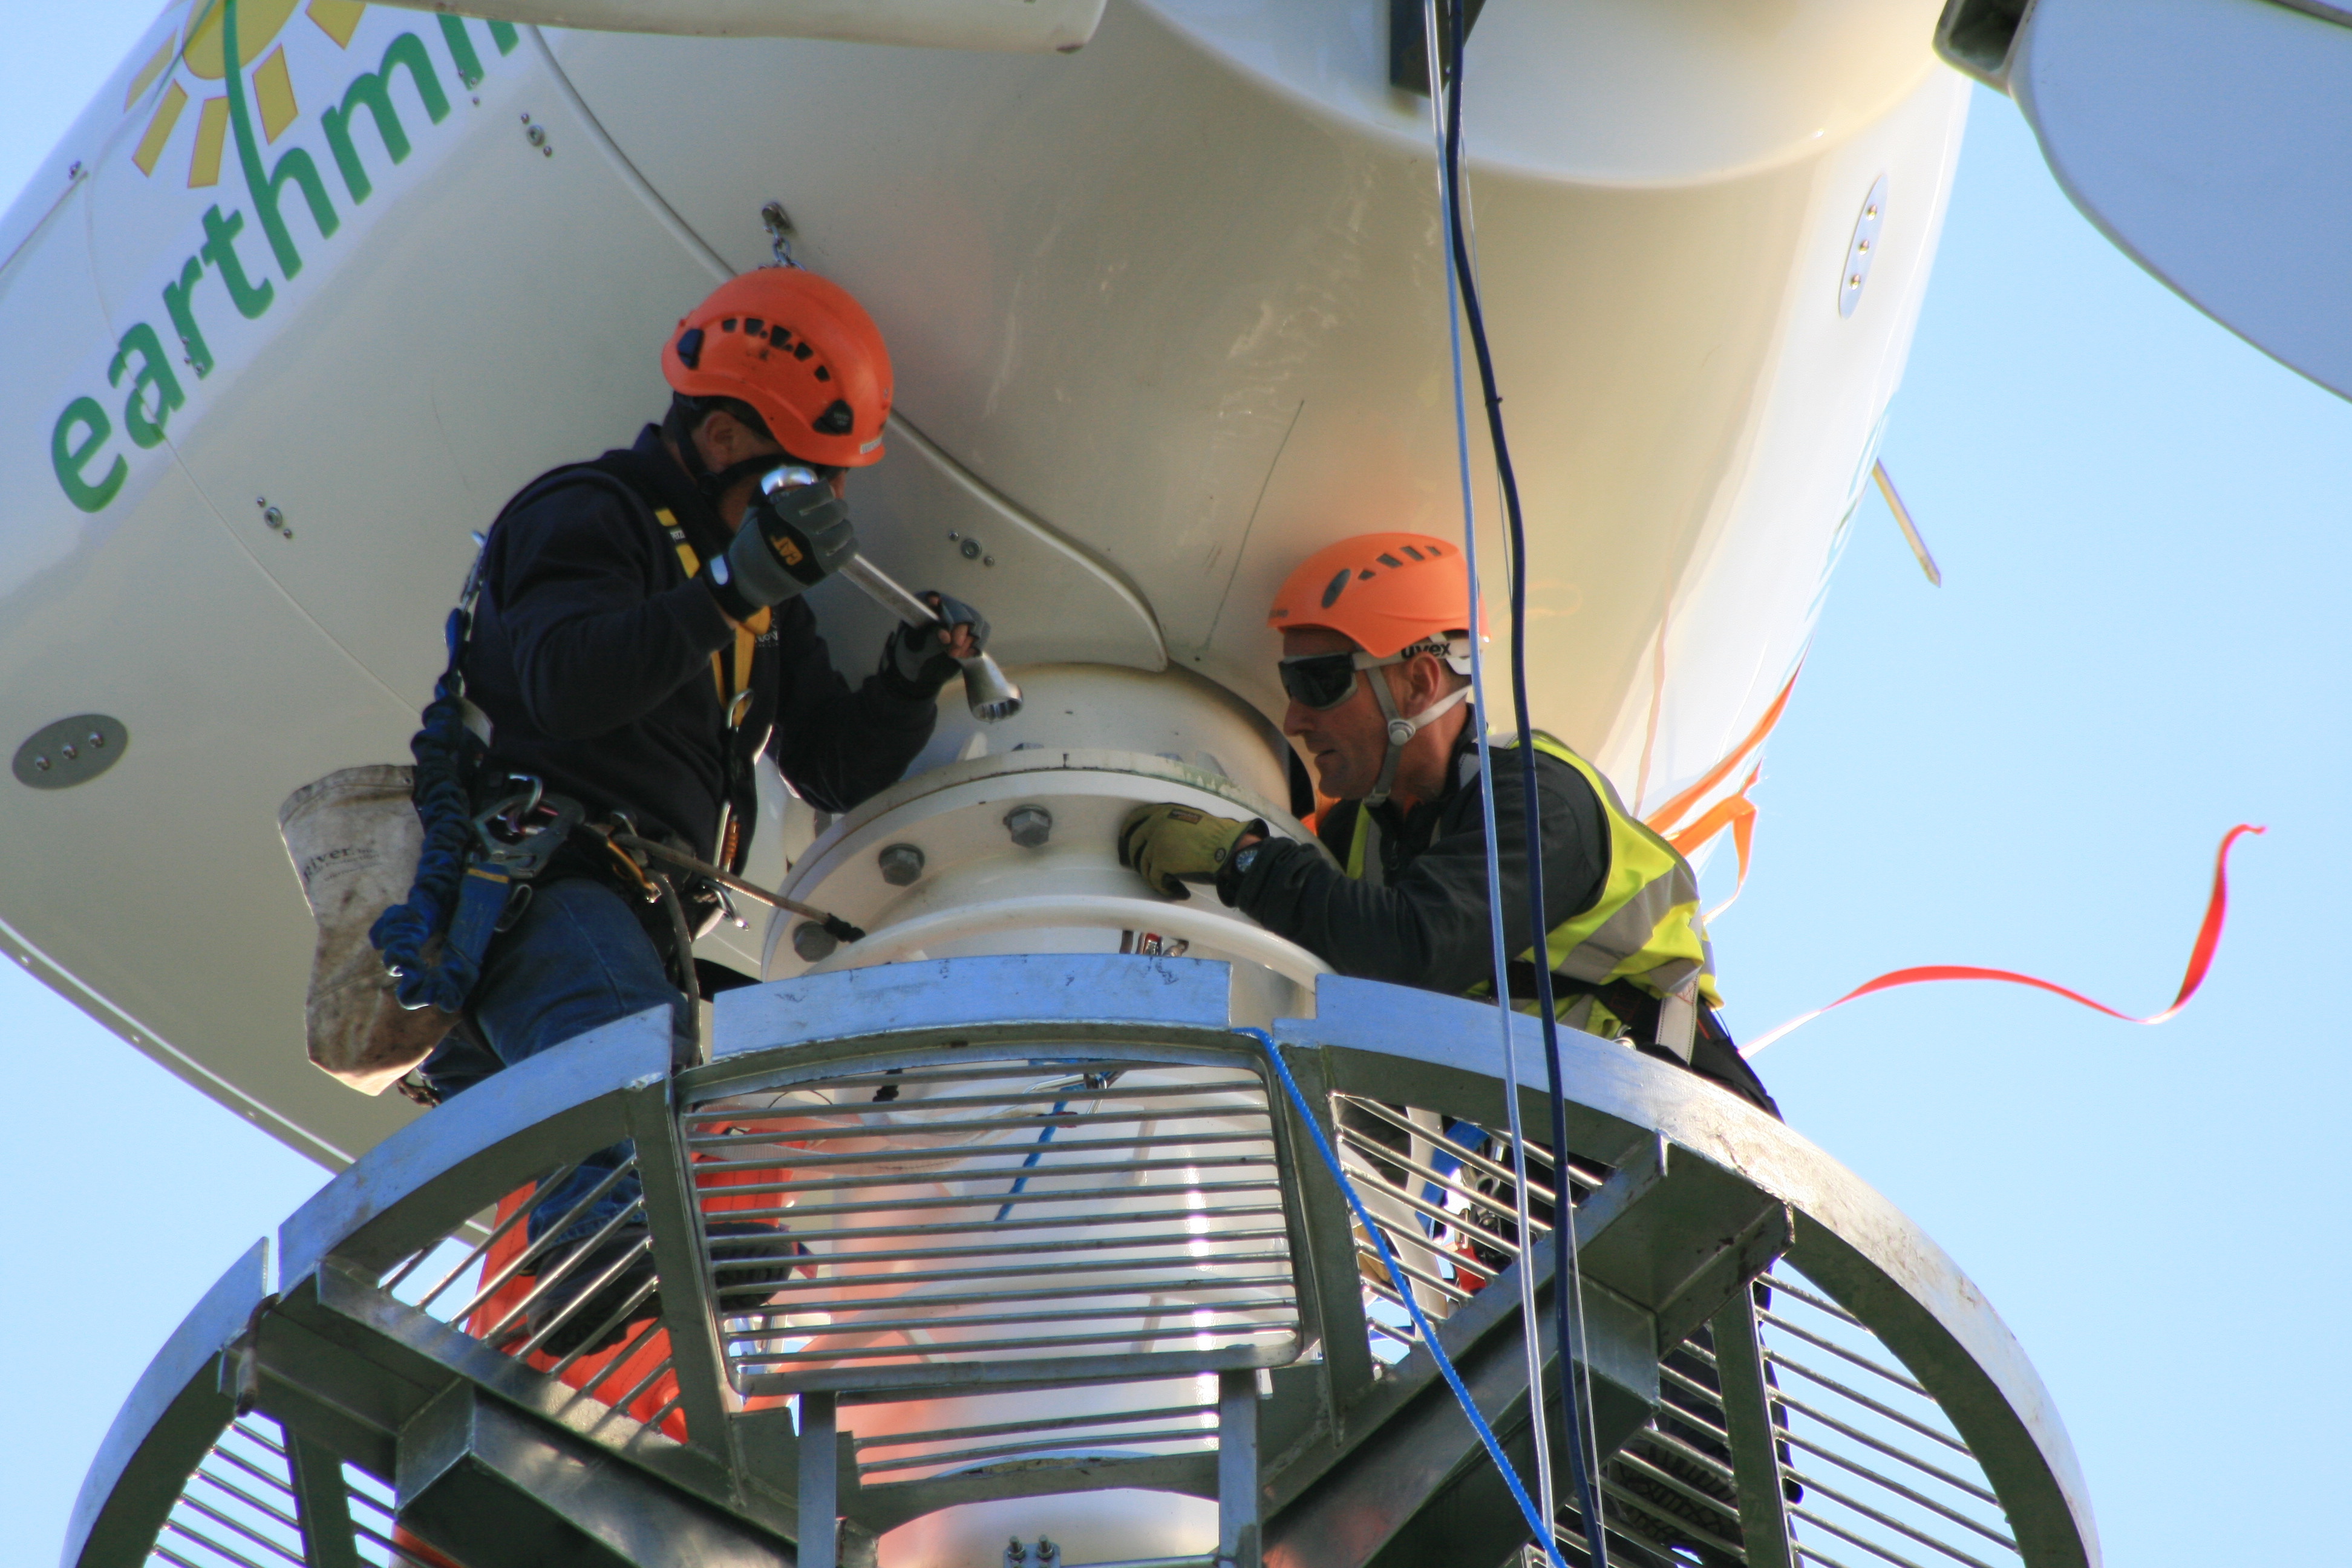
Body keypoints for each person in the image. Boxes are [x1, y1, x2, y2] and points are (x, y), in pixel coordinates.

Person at [410, 266, 985, 1350]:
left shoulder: (754, 601)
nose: (824, 515)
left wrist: (907, 679)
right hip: (544, 879)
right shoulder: (587, 515)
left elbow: (826, 762)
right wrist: (730, 589)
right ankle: (597, 1254)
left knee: (665, 1072)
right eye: (807, 482)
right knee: (620, 1062)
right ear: (723, 442)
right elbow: (568, 681)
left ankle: (643, 1249)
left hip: (633, 912)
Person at [1117, 531, 1774, 1115]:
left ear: (1419, 682)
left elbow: (1414, 947)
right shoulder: (1361, 841)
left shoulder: (1541, 802)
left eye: (1318, 684)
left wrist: (1246, 862)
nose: (1296, 720)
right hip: (1548, 1157)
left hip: (1673, 1117)